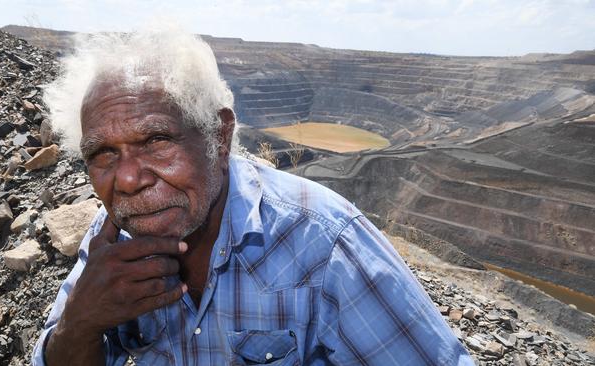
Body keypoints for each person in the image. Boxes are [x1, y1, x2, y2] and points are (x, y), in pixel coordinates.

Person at [32, 27, 473, 365]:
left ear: (219, 137)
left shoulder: (327, 246)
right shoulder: (115, 235)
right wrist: (80, 323)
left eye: (156, 141)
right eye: (103, 154)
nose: (127, 179)